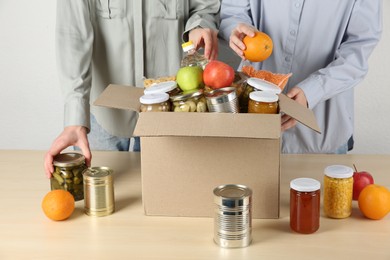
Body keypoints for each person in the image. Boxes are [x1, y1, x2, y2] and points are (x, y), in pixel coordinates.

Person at [44, 0, 220, 178]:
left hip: (169, 112)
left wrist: (199, 25)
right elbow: (73, 35)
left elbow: (206, 6)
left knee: (167, 197)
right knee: (103, 198)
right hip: (101, 117)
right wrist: (75, 121)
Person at [219, 0, 382, 154]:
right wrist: (236, 29)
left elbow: (358, 50)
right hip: (252, 126)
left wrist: (314, 90)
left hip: (321, 135)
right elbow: (233, 11)